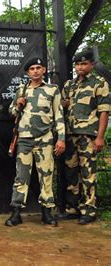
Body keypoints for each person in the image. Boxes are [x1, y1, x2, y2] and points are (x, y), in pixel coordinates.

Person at [5, 58, 65, 227]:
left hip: (45, 139)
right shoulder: (21, 90)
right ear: (27, 73)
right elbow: (11, 111)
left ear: (44, 70)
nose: (35, 71)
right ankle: (16, 213)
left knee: (46, 176)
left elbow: (59, 115)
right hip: (24, 139)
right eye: (32, 68)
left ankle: (47, 213)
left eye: (38, 68)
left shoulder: (52, 90)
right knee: (21, 177)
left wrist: (61, 139)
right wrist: (17, 105)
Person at [57, 49, 110, 225]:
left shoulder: (99, 83)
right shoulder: (69, 85)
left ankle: (89, 210)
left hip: (88, 136)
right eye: (78, 64)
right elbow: (62, 107)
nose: (80, 67)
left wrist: (100, 137)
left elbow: (104, 112)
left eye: (84, 64)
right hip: (70, 135)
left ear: (91, 65)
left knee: (88, 173)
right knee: (71, 173)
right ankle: (72, 209)